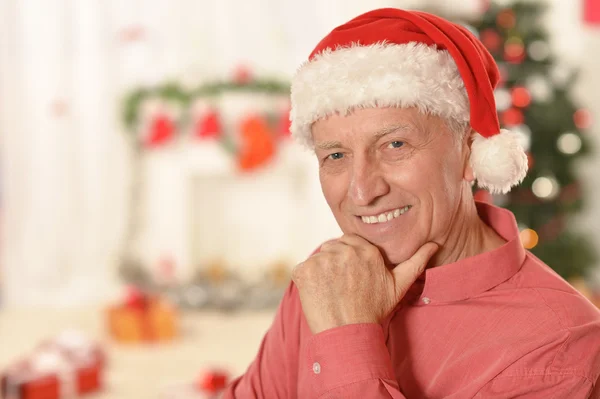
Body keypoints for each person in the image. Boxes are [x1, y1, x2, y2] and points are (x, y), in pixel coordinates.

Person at [224, 8, 600, 398]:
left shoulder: (560, 348)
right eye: (335, 155)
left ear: (470, 152)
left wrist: (347, 337)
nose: (362, 192)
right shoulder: (330, 277)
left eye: (395, 145)